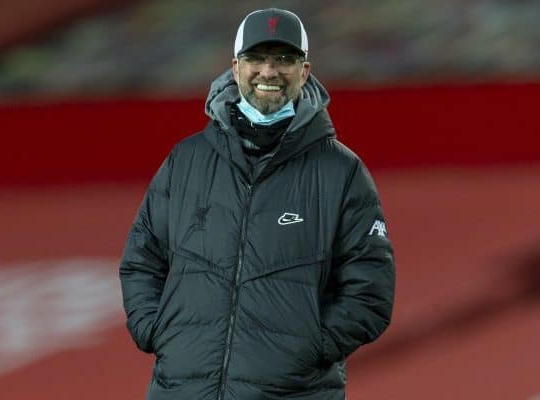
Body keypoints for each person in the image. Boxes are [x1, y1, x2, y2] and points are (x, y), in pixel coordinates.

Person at [119, 8, 395, 400]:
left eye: (284, 59)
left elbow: (371, 289)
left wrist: (308, 349)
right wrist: (157, 330)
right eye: (256, 58)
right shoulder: (186, 161)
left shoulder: (341, 172)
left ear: (304, 70)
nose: (269, 71)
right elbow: (141, 259)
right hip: (181, 390)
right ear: (235, 67)